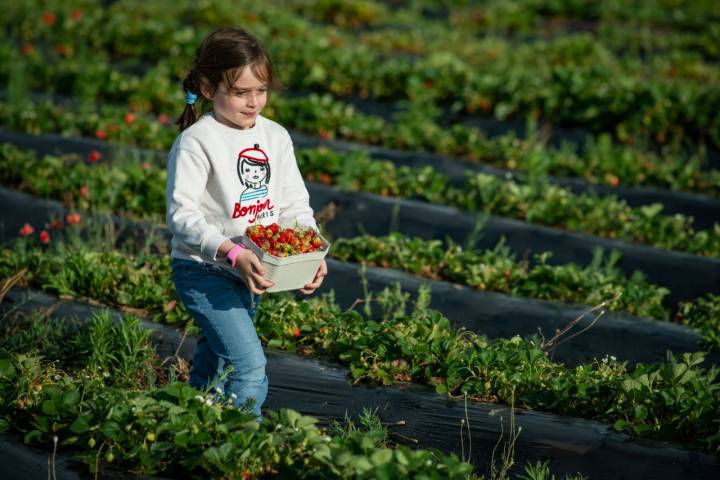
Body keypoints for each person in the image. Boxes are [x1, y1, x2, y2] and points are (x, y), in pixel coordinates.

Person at [166, 27, 327, 419]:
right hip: (204, 270)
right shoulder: (198, 141)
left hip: (249, 271)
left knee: (219, 357)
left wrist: (310, 251)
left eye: (261, 90)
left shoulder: (275, 136)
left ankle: (189, 420)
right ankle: (240, 446)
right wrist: (231, 251)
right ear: (207, 88)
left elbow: (293, 203)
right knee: (249, 367)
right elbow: (181, 215)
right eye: (240, 92)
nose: (254, 101)